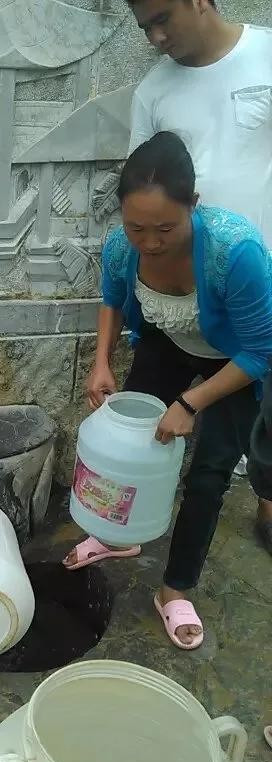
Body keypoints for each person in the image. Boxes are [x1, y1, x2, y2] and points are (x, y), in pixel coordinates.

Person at [63, 132, 272, 650]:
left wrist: (190, 403)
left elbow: (260, 350)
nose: (150, 242)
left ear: (193, 205)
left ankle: (175, 588)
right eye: (136, 227)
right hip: (168, 340)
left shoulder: (235, 252)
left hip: (236, 362)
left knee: (209, 473)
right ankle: (118, 536)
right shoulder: (122, 247)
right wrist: (102, 362)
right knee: (129, 441)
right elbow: (112, 298)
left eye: (165, 228)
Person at [126, 0, 272, 551]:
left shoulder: (267, 55)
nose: (156, 37)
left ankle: (267, 496)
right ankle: (132, 517)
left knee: (261, 411)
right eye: (145, 27)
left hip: (258, 279)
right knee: (162, 412)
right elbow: (140, 189)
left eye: (163, 18)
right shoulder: (153, 92)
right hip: (185, 288)